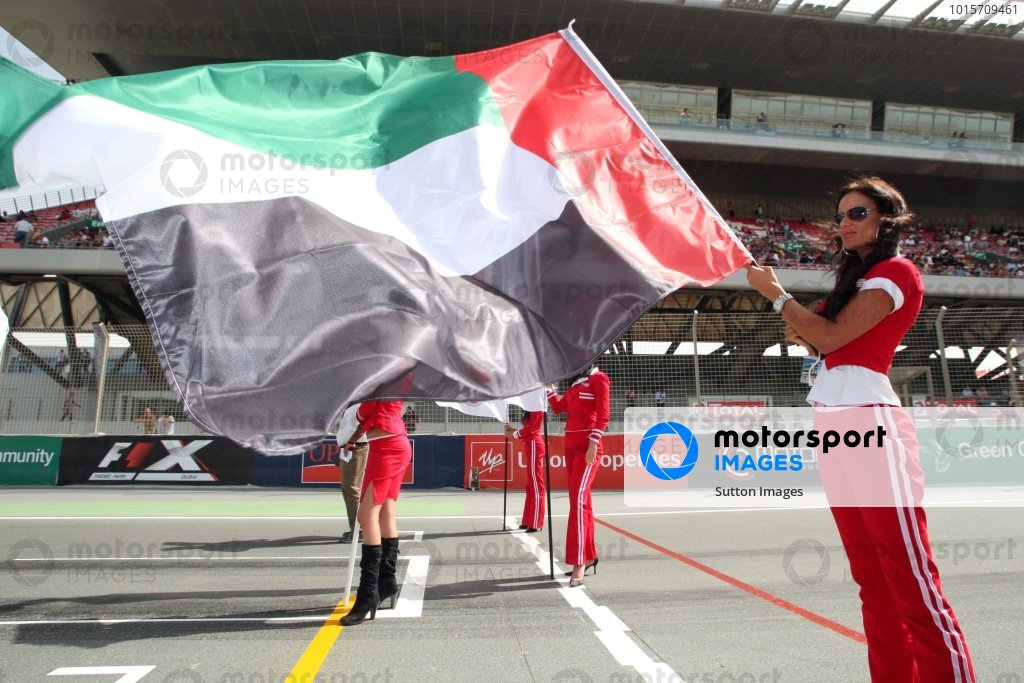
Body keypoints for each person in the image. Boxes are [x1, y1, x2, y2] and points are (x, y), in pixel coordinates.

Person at [746, 176, 975, 681]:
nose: (844, 224)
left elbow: (830, 335)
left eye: (858, 214)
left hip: (872, 422)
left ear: (886, 220)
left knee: (909, 578)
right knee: (872, 579)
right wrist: (804, 325)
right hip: (833, 421)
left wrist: (778, 296)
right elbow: (824, 341)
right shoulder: (856, 281)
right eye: (840, 216)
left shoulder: (898, 272)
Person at [340, 400, 412, 625]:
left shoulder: (381, 376)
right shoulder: (393, 374)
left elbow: (366, 412)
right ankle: (386, 582)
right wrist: (352, 439)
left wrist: (353, 416)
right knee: (385, 514)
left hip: (387, 447)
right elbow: (371, 415)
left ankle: (368, 593)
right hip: (393, 443)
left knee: (366, 516)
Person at [547, 364, 610, 587]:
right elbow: (557, 408)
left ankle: (579, 561)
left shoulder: (598, 378)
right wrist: (549, 389)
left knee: (578, 500)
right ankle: (589, 555)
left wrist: (594, 442)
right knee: (584, 503)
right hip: (570, 447)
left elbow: (604, 413)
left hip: (587, 447)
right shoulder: (575, 383)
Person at [504, 410, 545, 533]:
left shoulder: (536, 405)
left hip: (533, 443)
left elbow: (530, 429)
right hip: (530, 443)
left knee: (536, 484)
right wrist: (513, 431)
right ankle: (528, 519)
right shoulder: (530, 406)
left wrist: (514, 433)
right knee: (531, 485)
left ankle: (536, 522)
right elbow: (527, 428)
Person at [338, 431, 368, 544]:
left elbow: (363, 425)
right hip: (351, 447)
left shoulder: (358, 412)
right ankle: (358, 529)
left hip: (355, 447)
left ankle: (359, 530)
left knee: (351, 488)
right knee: (351, 488)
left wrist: (351, 441)